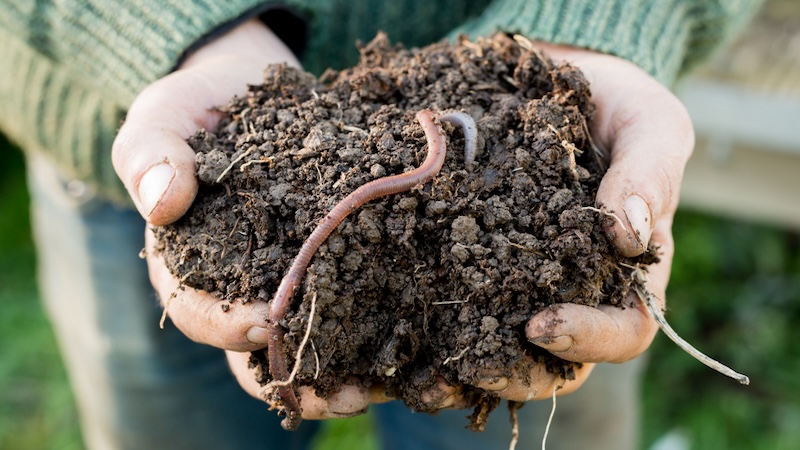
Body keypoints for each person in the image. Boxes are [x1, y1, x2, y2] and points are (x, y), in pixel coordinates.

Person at [0, 1, 762, 449]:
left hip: (541, 220)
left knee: (529, 346)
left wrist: (600, 30)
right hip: (158, 160)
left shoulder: (537, 153)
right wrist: (187, 30)